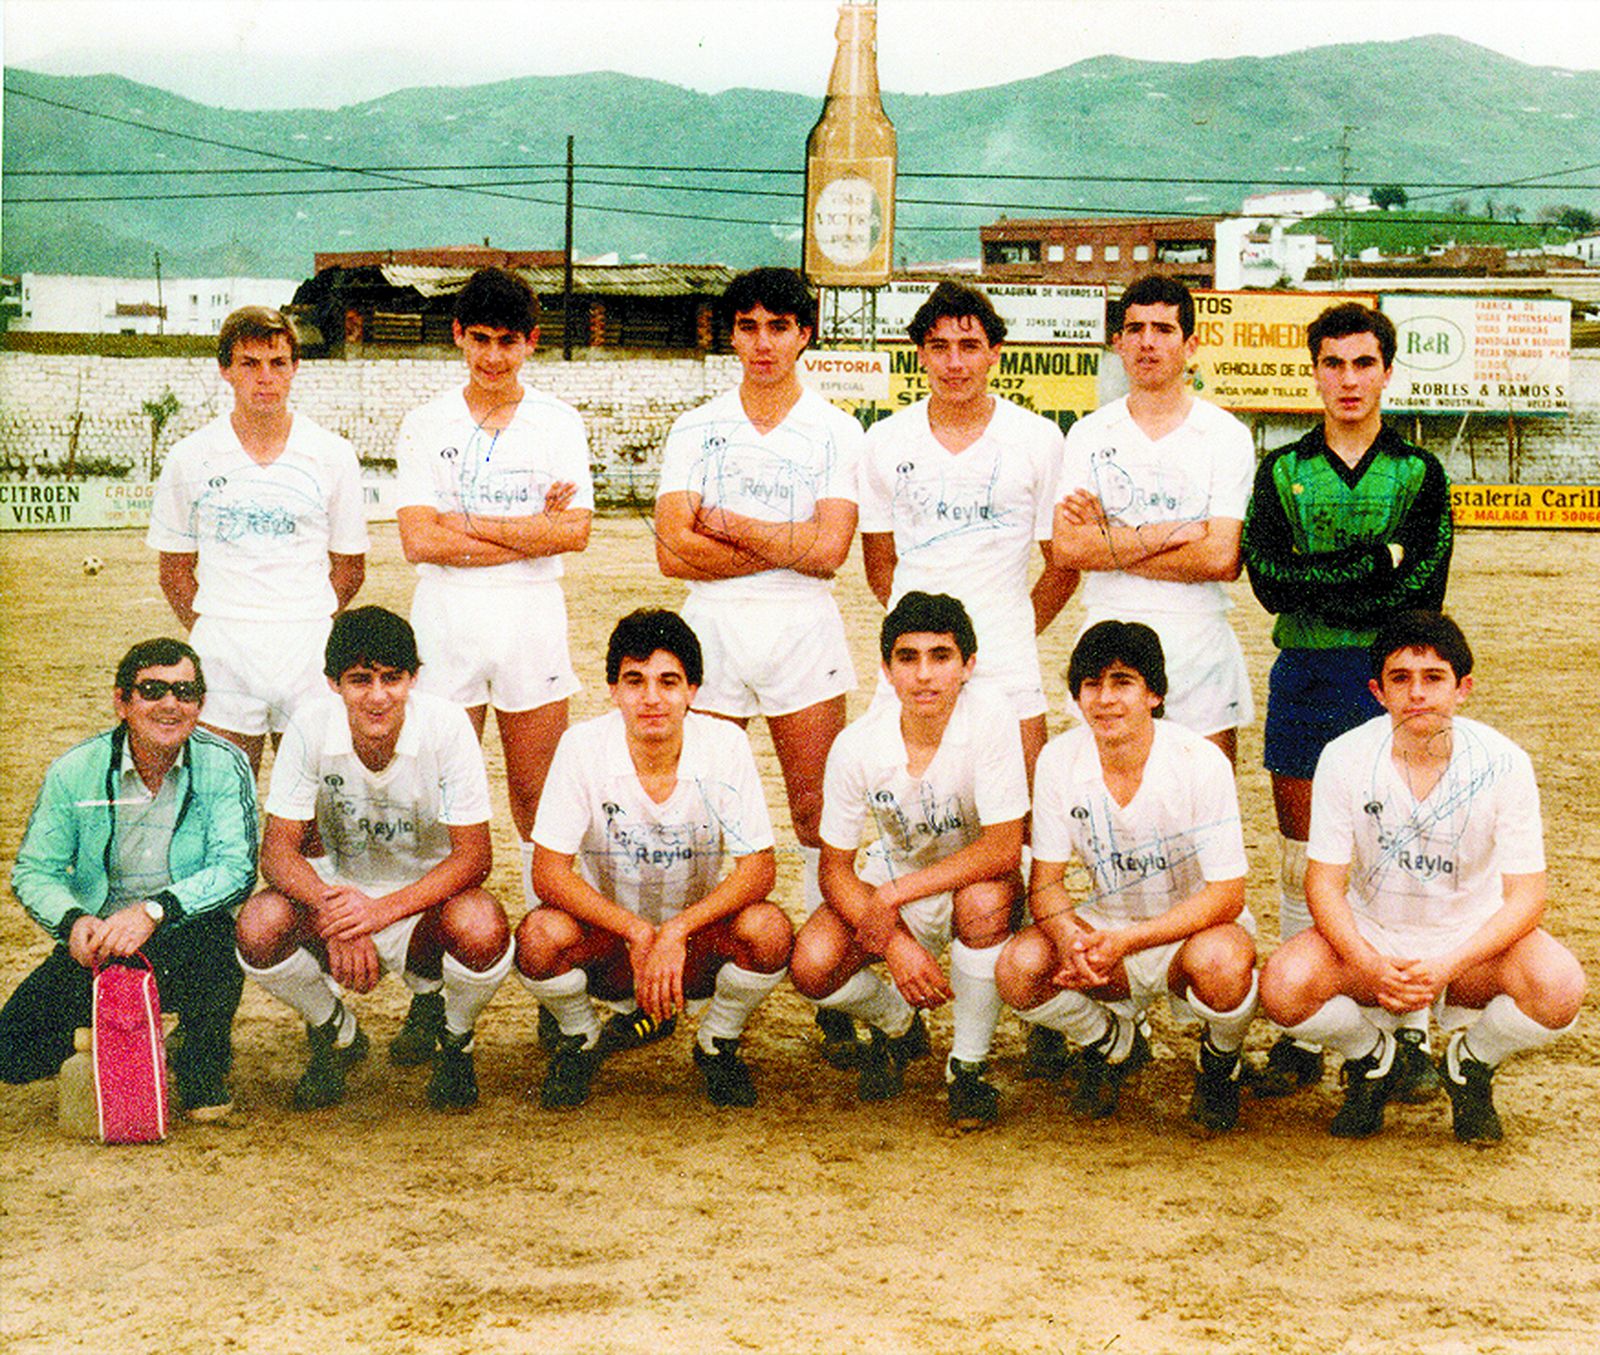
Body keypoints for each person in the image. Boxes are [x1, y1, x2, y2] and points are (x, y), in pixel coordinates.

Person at [1258, 612, 1584, 1142]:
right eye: (1400, 678)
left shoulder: (1505, 762)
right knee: (1284, 987)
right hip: (1374, 941)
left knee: (1559, 987)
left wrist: (1447, 965)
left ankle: (1470, 1062)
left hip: (1467, 948)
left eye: (1433, 678)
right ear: (1377, 690)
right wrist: (1370, 964)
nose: (1417, 694)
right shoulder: (1343, 757)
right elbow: (1323, 884)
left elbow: (1527, 897)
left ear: (1463, 689)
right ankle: (1373, 1056)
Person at [1242, 301, 1454, 1098]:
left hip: (1393, 681)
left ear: (1388, 371)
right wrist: (1373, 563)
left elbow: (1420, 587)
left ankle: (1412, 1030)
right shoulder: (1282, 469)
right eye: (1333, 363)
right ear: (1315, 372)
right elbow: (1269, 582)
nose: (1349, 379)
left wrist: (1337, 576)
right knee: (1305, 850)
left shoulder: (1420, 473)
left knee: (1400, 849)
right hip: (1304, 675)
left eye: (1364, 363)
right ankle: (1304, 1030)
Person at [652, 267, 862, 1054]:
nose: (763, 343)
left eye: (779, 326)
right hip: (710, 635)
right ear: (731, 334)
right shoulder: (696, 426)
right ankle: (699, 963)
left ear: (805, 333)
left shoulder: (838, 429)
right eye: (748, 327)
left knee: (816, 814)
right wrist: (786, 543)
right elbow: (674, 551)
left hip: (804, 634)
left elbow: (831, 550)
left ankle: (832, 978)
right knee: (703, 811)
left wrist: (730, 522)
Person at [235, 607, 513, 1112]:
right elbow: (277, 852)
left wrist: (379, 913)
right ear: (332, 683)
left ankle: (455, 1036)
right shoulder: (309, 726)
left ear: (414, 678)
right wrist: (337, 913)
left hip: (424, 904)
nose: (378, 695)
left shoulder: (448, 726)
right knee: (258, 923)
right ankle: (333, 1029)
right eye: (360, 680)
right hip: (342, 901)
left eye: (392, 678)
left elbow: (475, 857)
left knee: (482, 923)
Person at [515, 609, 792, 1110]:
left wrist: (677, 931)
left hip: (694, 949)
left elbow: (759, 867)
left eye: (669, 681)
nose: (651, 698)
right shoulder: (582, 747)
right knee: (536, 938)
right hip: (615, 947)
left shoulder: (725, 745)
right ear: (613, 689)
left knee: (768, 930)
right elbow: (548, 872)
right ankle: (582, 1037)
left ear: (693, 690)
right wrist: (638, 932)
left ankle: (717, 1043)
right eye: (634, 681)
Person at [997, 621, 1257, 1131]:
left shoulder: (1200, 761)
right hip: (1107, 930)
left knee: (1223, 964)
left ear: (1154, 693)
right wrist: (1073, 939)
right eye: (1091, 685)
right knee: (1018, 967)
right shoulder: (1058, 759)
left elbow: (1227, 894)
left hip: (1187, 934)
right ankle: (1113, 1044)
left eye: (1122, 682)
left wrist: (1128, 941)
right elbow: (1047, 882)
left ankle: (1220, 1062)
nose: (1105, 700)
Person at [790, 592, 1027, 1129]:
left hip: (973, 875)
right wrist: (894, 943)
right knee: (812, 964)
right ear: (886, 669)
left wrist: (893, 898)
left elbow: (1002, 847)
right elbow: (834, 868)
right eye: (907, 657)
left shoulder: (990, 717)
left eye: (941, 656)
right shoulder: (857, 745)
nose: (924, 675)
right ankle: (898, 1025)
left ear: (969, 665)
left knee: (984, 905)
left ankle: (967, 1068)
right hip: (899, 872)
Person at [394, 266, 593, 903]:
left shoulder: (558, 422)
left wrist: (467, 522)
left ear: (531, 341)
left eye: (507, 341)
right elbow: (420, 541)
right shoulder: (426, 424)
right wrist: (529, 528)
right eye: (480, 339)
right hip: (446, 618)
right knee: (440, 790)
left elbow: (573, 534)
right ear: (458, 336)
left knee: (538, 794)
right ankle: (433, 959)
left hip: (530, 619)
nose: (493, 356)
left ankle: (548, 929)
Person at [2, 639, 257, 1120]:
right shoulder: (74, 770)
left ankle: (202, 1064)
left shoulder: (226, 764)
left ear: (200, 704)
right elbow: (34, 870)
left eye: (185, 691)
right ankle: (122, 1042)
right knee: (14, 1056)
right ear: (122, 702)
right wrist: (74, 922)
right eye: (152, 690)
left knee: (219, 942)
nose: (169, 704)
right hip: (101, 941)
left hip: (187, 933)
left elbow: (237, 868)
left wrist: (155, 910)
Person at [858, 280, 1077, 784]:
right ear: (920, 356)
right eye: (939, 347)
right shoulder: (885, 441)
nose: (954, 363)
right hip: (916, 658)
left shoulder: (1038, 439)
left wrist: (1010, 626)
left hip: (1005, 656)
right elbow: (879, 565)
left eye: (969, 346)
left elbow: (1062, 566)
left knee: (1020, 819)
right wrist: (927, 641)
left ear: (995, 353)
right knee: (910, 805)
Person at [148, 306, 368, 774]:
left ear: (295, 368)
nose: (265, 378)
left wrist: (304, 619)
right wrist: (221, 628)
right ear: (226, 370)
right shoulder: (190, 457)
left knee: (311, 808)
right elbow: (174, 571)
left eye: (277, 363)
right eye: (250, 364)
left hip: (307, 647)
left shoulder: (332, 455)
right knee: (226, 801)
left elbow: (350, 567)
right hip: (225, 648)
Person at [1051, 275, 1254, 767]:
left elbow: (1221, 558)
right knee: (1110, 810)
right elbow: (1069, 550)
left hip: (1198, 642)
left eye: (1163, 329)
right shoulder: (1088, 433)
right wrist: (1165, 533)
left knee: (1203, 811)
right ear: (1117, 342)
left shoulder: (1225, 435)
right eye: (1134, 328)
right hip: (1107, 634)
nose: (1147, 341)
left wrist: (1112, 541)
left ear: (1191, 344)